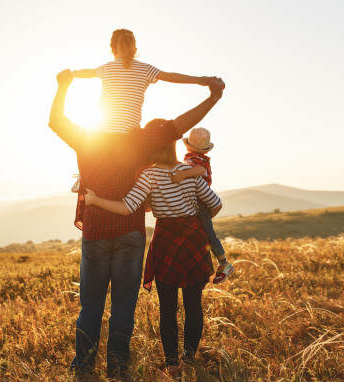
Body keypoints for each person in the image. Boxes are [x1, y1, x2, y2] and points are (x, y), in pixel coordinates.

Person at [48, 68, 224, 380]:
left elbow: (56, 121)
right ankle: (118, 368)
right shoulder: (142, 139)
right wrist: (212, 96)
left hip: (95, 232)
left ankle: (84, 368)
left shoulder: (87, 136)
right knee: (123, 308)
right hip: (130, 233)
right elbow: (179, 126)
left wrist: (63, 87)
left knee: (90, 306)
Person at [83, 139, 222, 376]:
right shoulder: (188, 172)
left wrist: (95, 200)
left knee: (167, 307)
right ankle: (188, 358)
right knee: (193, 303)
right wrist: (196, 217)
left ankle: (172, 364)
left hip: (166, 240)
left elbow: (128, 207)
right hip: (194, 240)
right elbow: (216, 204)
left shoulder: (149, 175)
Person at [72, 28, 219, 134]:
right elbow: (172, 76)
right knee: (169, 132)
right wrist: (201, 80)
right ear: (134, 48)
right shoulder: (145, 69)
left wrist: (71, 74)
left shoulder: (106, 68)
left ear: (112, 48)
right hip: (130, 136)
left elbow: (87, 73)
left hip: (103, 134)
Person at [171, 127, 234, 283]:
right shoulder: (196, 158)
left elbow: (199, 171)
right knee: (204, 231)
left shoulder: (197, 161)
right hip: (198, 200)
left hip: (200, 200)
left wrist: (182, 174)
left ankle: (224, 263)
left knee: (208, 232)